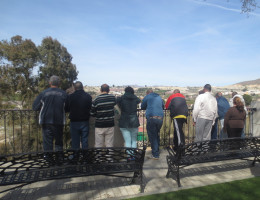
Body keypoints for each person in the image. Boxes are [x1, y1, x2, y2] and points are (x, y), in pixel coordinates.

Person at [32, 76, 67, 153]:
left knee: (47, 143)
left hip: (46, 121)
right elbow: (67, 108)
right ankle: (59, 159)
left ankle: (49, 161)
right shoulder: (64, 94)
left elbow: (35, 107)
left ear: (50, 83)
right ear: (59, 83)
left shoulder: (43, 93)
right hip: (59, 121)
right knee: (58, 142)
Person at [66, 81, 92, 150]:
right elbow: (90, 108)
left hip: (74, 121)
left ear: (74, 88)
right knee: (85, 141)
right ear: (82, 87)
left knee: (75, 142)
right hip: (85, 121)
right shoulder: (88, 96)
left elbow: (67, 108)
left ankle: (75, 157)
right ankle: (85, 157)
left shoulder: (70, 97)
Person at [141, 89, 164, 160]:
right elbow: (163, 106)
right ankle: (156, 150)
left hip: (152, 118)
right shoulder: (159, 97)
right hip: (160, 118)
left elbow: (142, 107)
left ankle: (155, 154)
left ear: (147, 93)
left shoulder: (147, 97)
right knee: (156, 134)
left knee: (152, 136)